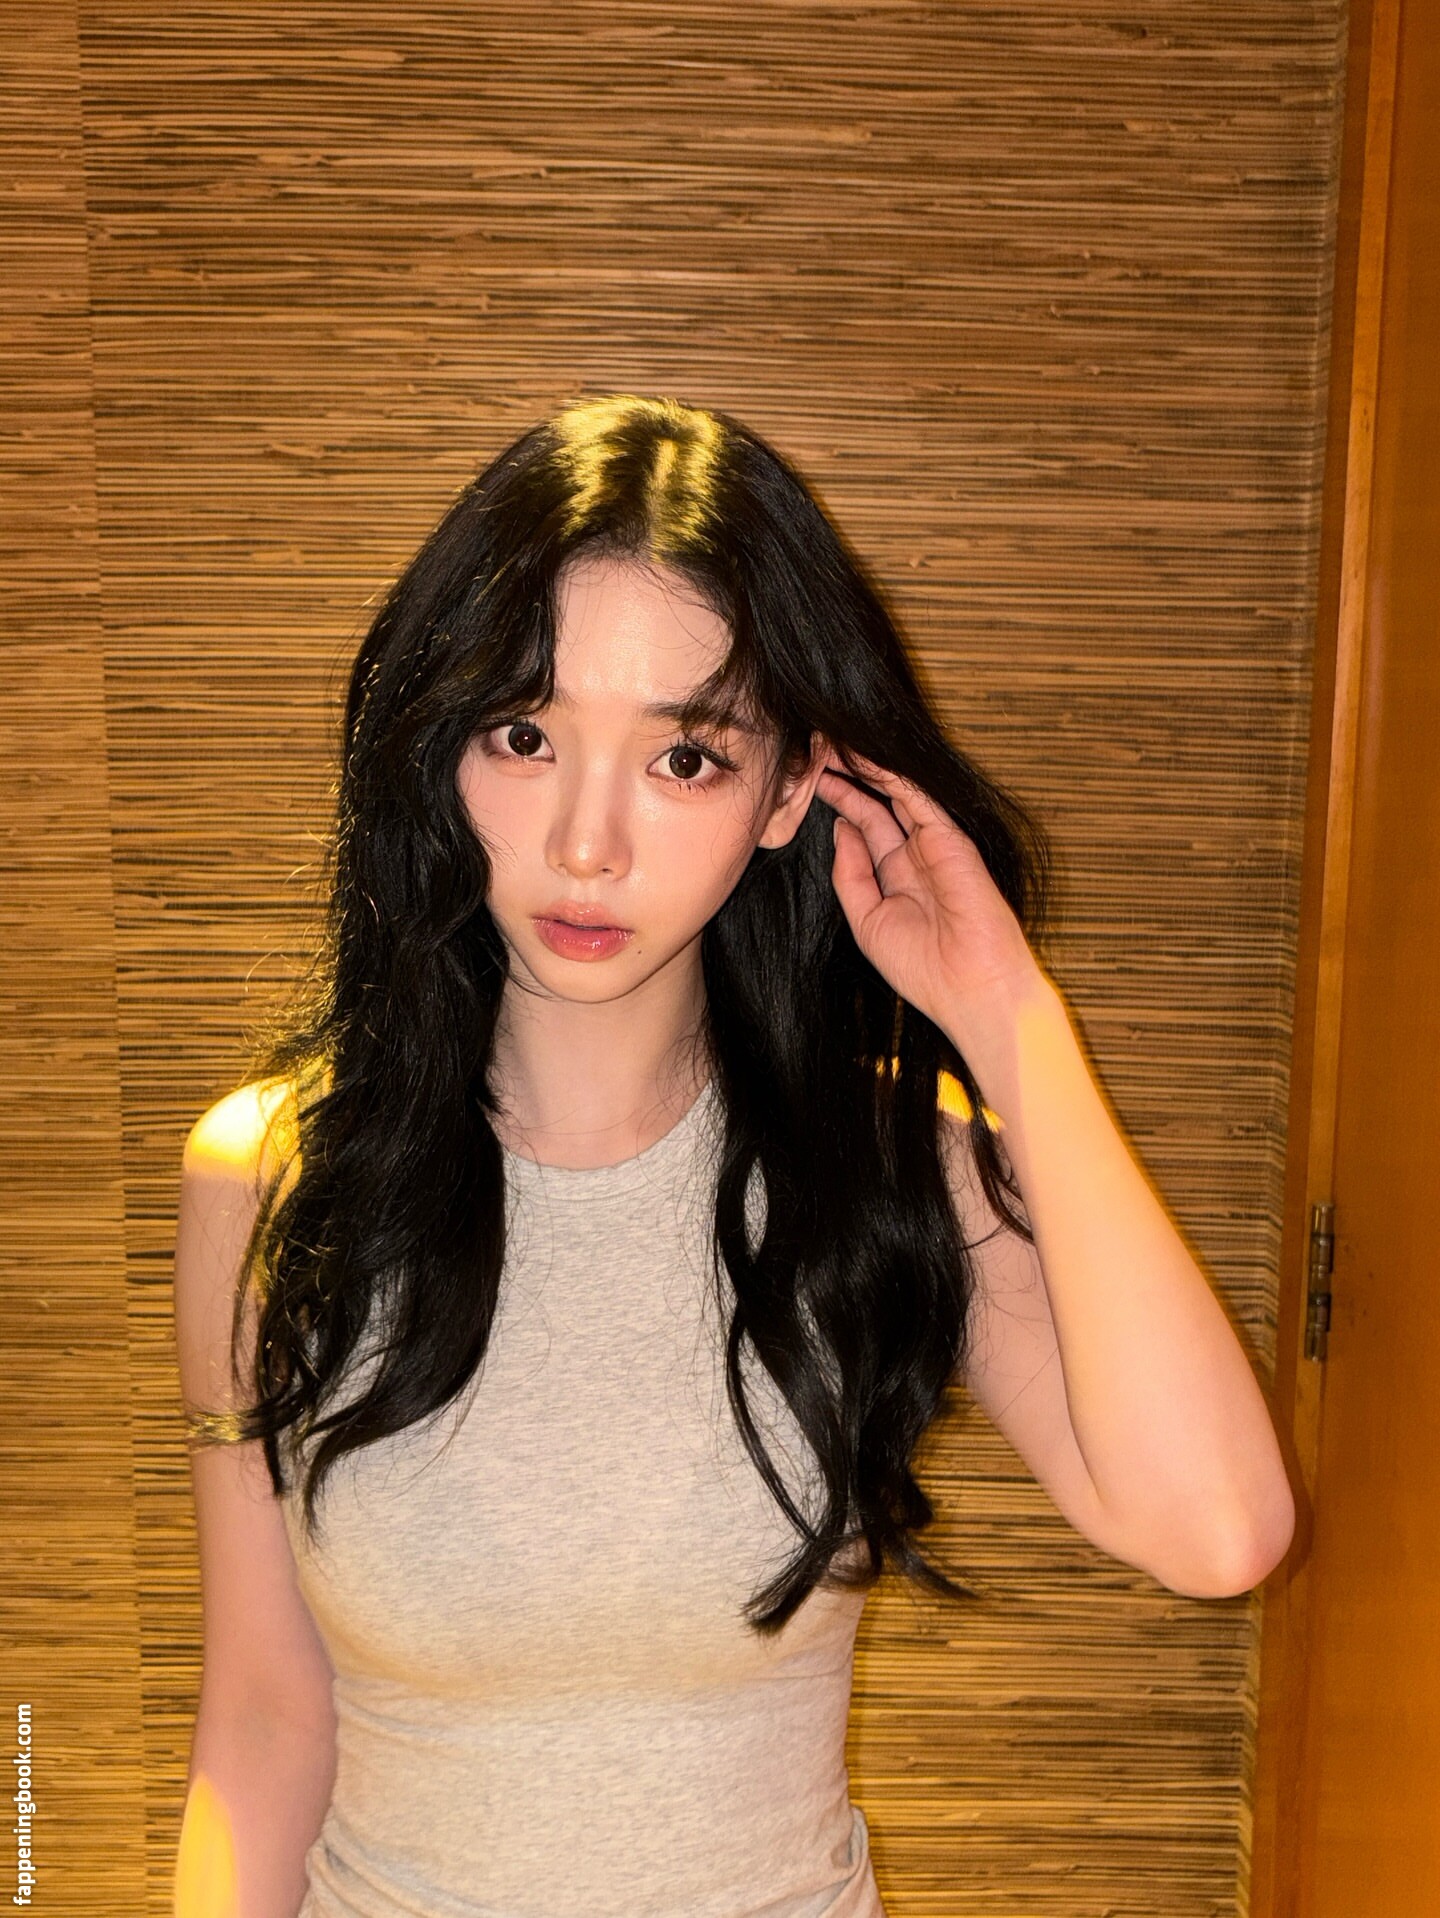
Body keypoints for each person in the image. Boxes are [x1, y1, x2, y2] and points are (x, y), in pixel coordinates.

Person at [170, 393, 1295, 1918]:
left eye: (685, 758)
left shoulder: (887, 1163)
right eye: (526, 734)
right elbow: (260, 1719)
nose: (587, 844)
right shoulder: (271, 1174)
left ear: (788, 791)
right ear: (445, 747)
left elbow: (1221, 1531)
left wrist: (1009, 1015)